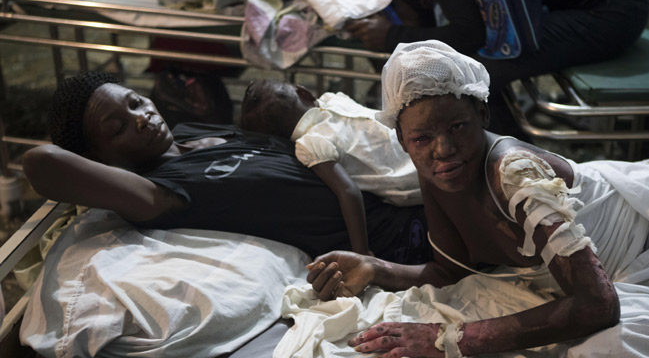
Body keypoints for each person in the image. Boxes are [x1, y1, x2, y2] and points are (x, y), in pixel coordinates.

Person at [306, 40, 649, 356]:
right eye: (422, 138)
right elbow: (449, 272)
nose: (443, 149)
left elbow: (597, 304)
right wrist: (375, 268)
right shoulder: (437, 169)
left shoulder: (514, 173)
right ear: (403, 142)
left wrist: (449, 340)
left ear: (483, 114)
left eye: (458, 127)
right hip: (614, 274)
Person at [21, 71, 432, 264]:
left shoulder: (191, 130)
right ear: (102, 158)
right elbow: (41, 163)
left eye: (135, 102)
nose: (142, 117)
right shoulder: (158, 192)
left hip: (393, 184)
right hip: (390, 235)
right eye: (118, 127)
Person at [344, 0, 649, 137]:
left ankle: (517, 176)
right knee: (459, 67)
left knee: (463, 75)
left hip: (611, 5)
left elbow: (469, 35)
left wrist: (393, 34)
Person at [239, 80, 421, 256]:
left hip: (412, 181)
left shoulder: (311, 142)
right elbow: (348, 191)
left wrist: (362, 251)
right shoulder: (331, 105)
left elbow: (348, 191)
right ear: (305, 93)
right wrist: (361, 252)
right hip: (420, 150)